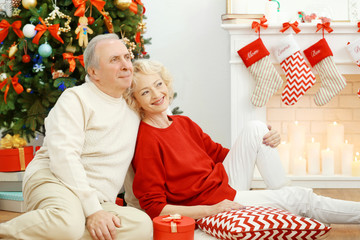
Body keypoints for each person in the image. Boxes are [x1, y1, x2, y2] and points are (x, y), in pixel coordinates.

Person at [123, 59, 360, 225]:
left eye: (158, 84)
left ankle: (283, 195)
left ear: (166, 84)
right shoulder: (147, 140)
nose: (156, 95)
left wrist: (262, 141)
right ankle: (291, 200)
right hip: (211, 201)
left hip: (223, 182)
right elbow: (154, 207)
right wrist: (210, 210)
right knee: (301, 199)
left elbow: (222, 155)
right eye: (145, 92)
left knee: (256, 127)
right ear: (135, 101)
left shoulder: (183, 123)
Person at [0, 34, 152, 240]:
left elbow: (131, 166)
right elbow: (63, 157)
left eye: (127, 57)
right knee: (69, 224)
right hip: (54, 179)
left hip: (97, 198)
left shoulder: (133, 110)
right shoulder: (76, 99)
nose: (126, 65)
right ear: (94, 72)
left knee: (142, 225)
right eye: (114, 60)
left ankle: (57, 230)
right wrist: (93, 211)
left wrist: (131, 207)